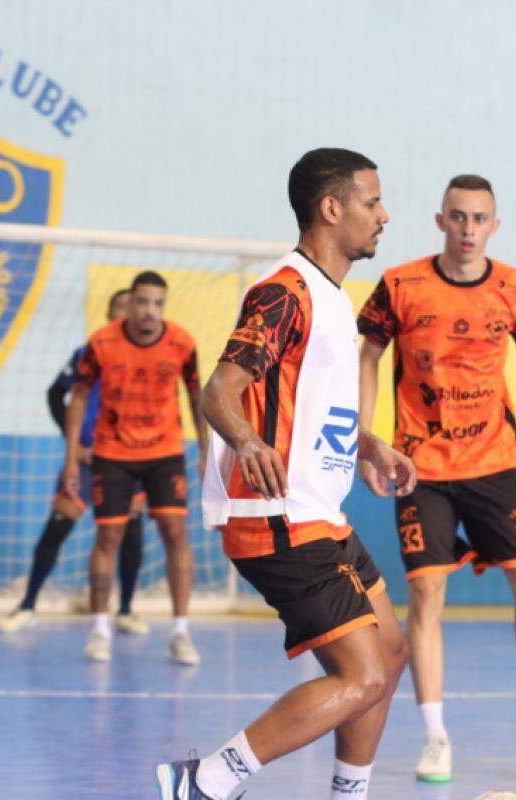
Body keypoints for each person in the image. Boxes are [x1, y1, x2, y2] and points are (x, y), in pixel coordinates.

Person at [155, 148, 415, 800]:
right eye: (372, 201)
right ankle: (205, 782)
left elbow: (308, 408)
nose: (384, 215)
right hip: (276, 517)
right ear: (332, 208)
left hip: (320, 513)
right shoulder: (284, 292)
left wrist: (368, 445)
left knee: (389, 657)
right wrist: (244, 440)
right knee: (360, 676)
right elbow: (220, 391)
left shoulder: (329, 297)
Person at [356, 174, 516, 781]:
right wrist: (367, 442)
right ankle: (435, 737)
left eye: (479, 218)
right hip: (419, 465)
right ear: (439, 220)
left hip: (494, 462)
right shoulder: (400, 285)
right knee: (427, 591)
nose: (468, 229)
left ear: (494, 226)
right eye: (457, 217)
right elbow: (369, 356)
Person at [63, 272, 210, 664]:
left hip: (164, 452)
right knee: (108, 538)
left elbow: (197, 398)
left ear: (164, 305)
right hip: (112, 453)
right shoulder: (101, 343)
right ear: (130, 304)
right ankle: (99, 629)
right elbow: (77, 399)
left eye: (157, 304)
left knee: (176, 535)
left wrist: (205, 451)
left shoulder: (182, 343)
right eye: (142, 302)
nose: (149, 311)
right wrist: (71, 457)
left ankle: (180, 632)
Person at [0, 290, 150, 635]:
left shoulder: (146, 359)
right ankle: (27, 604)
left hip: (128, 462)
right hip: (85, 460)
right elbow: (56, 393)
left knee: (131, 534)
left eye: (132, 309)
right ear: (110, 314)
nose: (126, 314)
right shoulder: (89, 353)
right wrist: (74, 443)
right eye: (120, 308)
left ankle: (125, 609)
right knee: (57, 527)